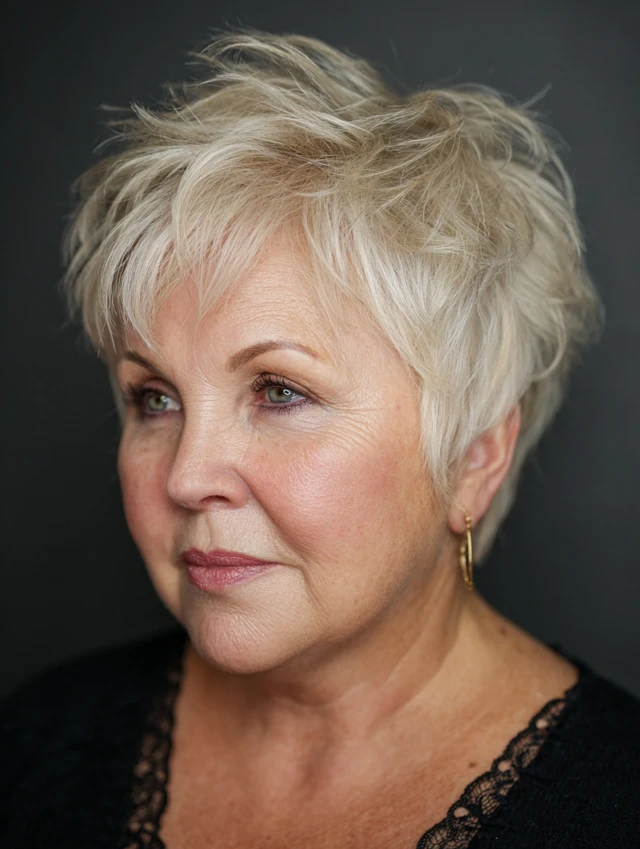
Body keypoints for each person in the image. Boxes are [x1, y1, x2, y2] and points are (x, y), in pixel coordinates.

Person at [1, 29, 638, 849]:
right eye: (155, 398)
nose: (187, 476)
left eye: (279, 391)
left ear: (473, 456)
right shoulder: (35, 747)